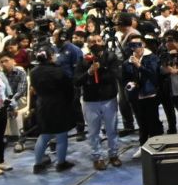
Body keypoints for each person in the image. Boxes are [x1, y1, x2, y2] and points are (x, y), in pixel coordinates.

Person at [78, 38, 123, 169]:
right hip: (90, 101)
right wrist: (89, 73)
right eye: (92, 41)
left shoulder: (111, 57)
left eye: (98, 40)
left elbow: (116, 75)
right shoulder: (83, 60)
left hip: (108, 99)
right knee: (93, 132)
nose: (96, 43)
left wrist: (101, 67)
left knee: (112, 130)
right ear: (88, 44)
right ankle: (97, 157)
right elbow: (76, 81)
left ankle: (114, 154)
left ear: (103, 43)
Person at [28, 50, 76, 172]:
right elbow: (69, 89)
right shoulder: (58, 71)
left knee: (44, 135)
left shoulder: (33, 72)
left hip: (42, 104)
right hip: (59, 105)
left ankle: (37, 164)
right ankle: (61, 163)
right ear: (50, 57)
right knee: (61, 135)